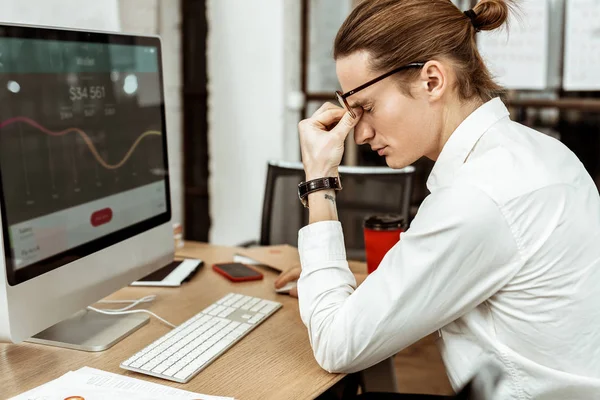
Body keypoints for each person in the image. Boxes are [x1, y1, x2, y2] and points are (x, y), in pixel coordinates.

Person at [274, 0, 600, 398]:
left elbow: (335, 345)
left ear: (432, 80)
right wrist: (370, 289)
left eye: (366, 107)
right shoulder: (540, 153)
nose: (358, 134)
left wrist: (319, 179)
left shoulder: (477, 197)